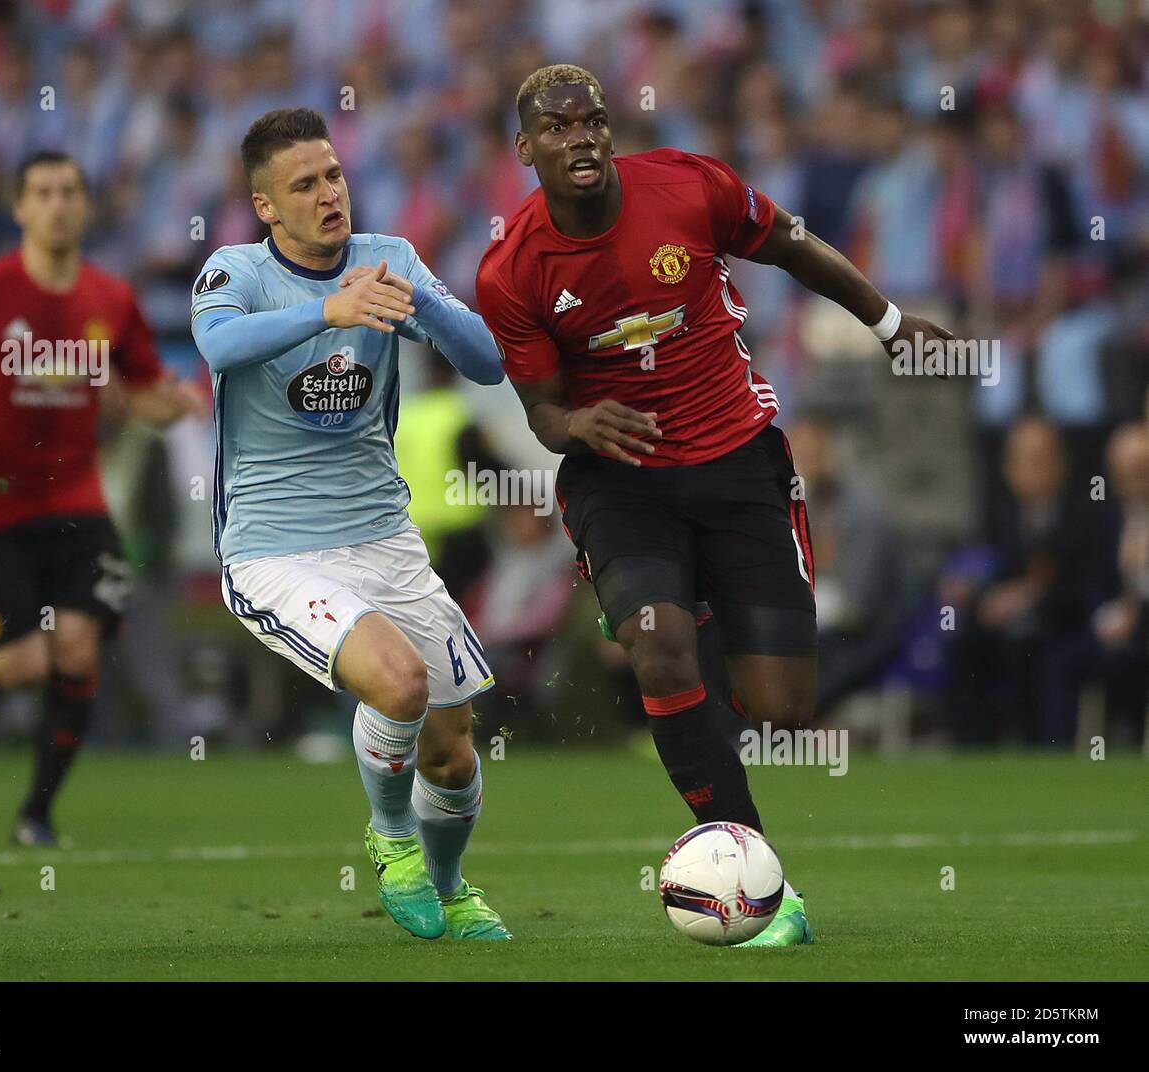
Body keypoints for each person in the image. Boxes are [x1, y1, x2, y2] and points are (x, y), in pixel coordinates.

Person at [475, 65, 954, 946]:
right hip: (620, 479)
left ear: (609, 131)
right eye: (557, 127)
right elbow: (542, 413)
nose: (579, 137)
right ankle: (758, 876)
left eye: (592, 121)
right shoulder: (512, 271)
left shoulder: (693, 187)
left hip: (737, 461)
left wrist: (889, 323)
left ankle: (697, 608)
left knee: (781, 710)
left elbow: (797, 246)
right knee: (659, 651)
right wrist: (578, 419)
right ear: (526, 149)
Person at [191, 108, 509, 941]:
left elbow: (486, 360)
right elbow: (219, 349)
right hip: (275, 551)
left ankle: (449, 884)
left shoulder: (389, 259)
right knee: (398, 682)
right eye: (304, 185)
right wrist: (328, 312)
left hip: (386, 541)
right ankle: (392, 838)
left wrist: (424, 313)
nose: (329, 194)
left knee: (453, 747)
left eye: (332, 174)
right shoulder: (234, 271)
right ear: (266, 208)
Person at [0, 151, 206, 846]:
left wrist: (177, 402)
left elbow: (145, 390)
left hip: (76, 499)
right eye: (43, 192)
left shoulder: (111, 299)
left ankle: (36, 817)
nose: (59, 204)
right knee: (16, 667)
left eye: (70, 190)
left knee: (76, 649)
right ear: (20, 209)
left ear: (86, 205)